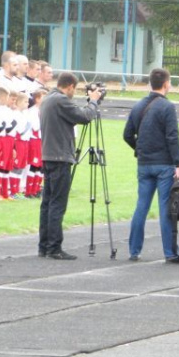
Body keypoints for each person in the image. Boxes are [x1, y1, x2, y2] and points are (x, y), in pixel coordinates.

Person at [123, 68, 179, 264]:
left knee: (141, 206)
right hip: (163, 164)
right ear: (166, 84)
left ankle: (134, 250)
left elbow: (127, 135)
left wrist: (140, 149)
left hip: (144, 164)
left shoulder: (137, 106)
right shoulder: (167, 107)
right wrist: (178, 164)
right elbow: (172, 136)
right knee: (166, 208)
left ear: (150, 83)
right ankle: (170, 252)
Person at [38, 72, 102, 259]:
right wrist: (93, 101)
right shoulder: (61, 100)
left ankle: (44, 245)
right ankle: (54, 247)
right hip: (60, 157)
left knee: (47, 203)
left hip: (49, 155)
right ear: (70, 86)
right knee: (58, 203)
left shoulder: (49, 98)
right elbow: (84, 116)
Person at [25, 88, 46, 198]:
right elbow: (35, 127)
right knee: (34, 165)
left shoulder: (43, 111)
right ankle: (29, 191)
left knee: (40, 166)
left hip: (42, 141)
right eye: (43, 97)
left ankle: (36, 189)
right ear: (37, 99)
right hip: (34, 141)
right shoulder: (32, 112)